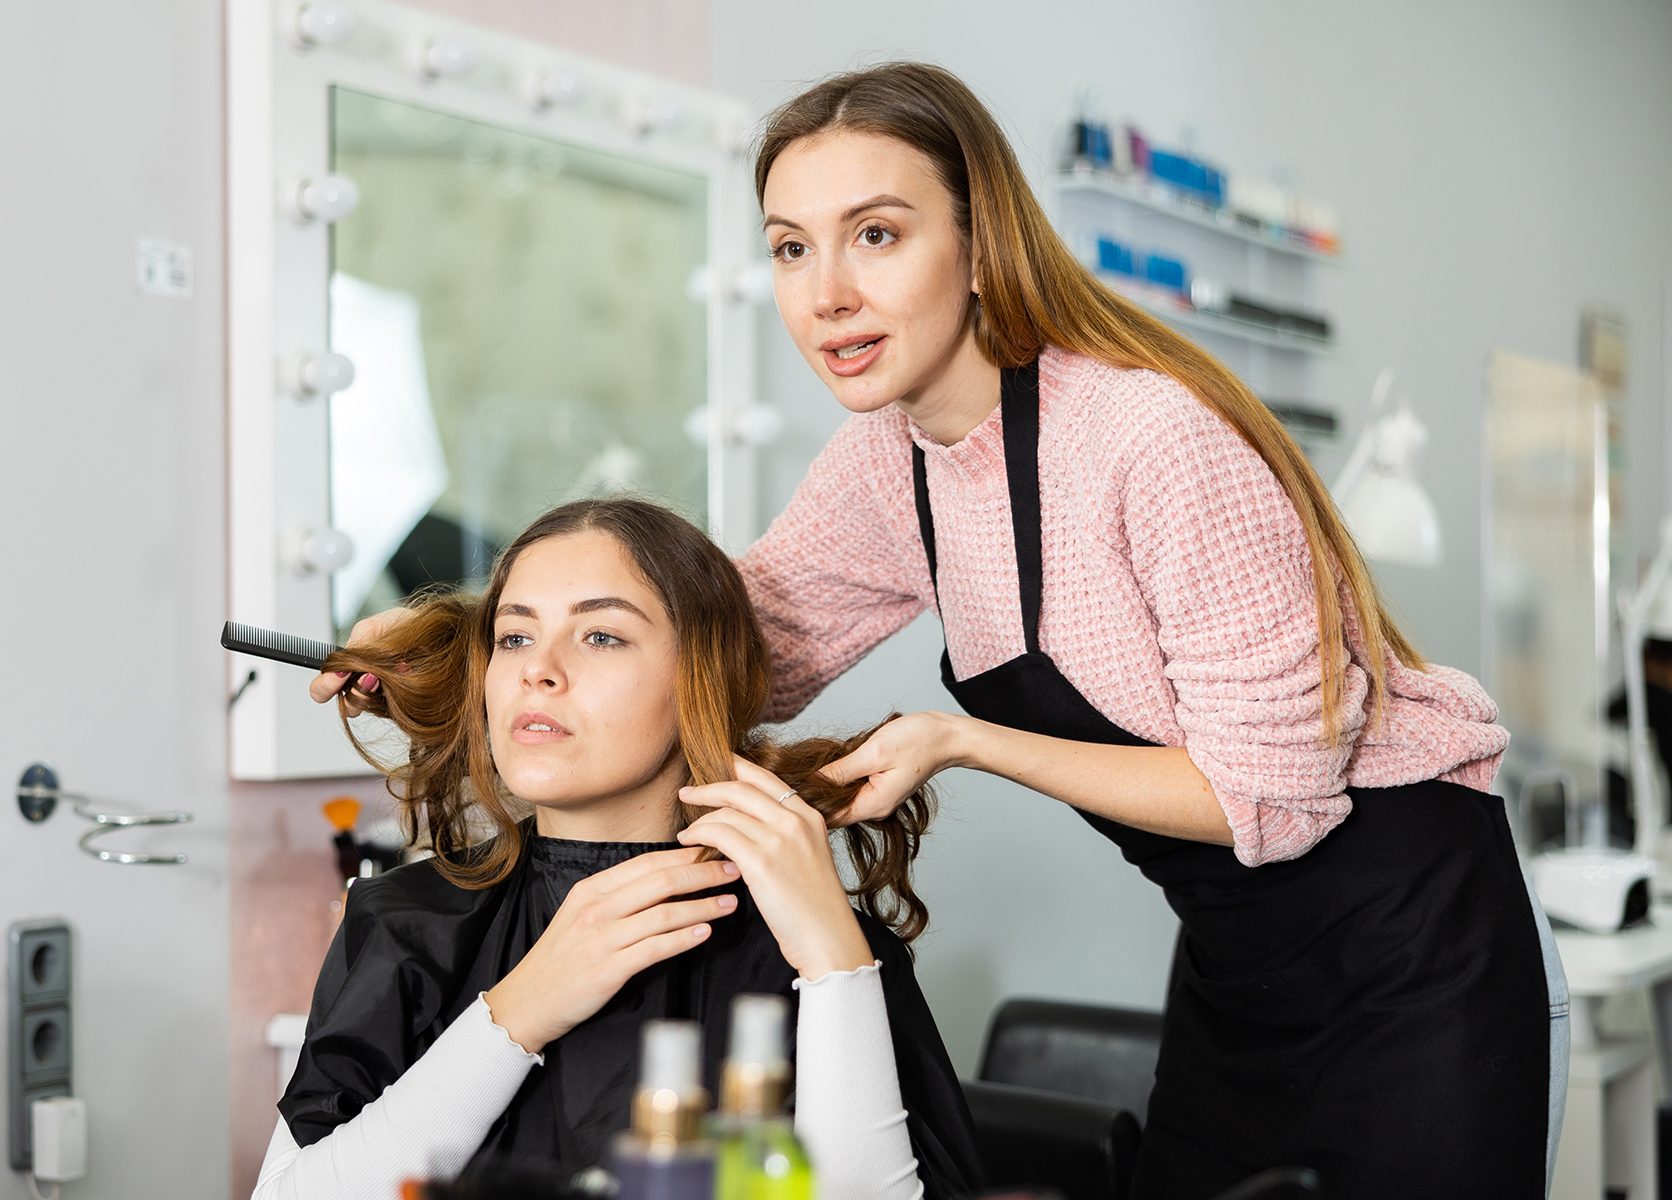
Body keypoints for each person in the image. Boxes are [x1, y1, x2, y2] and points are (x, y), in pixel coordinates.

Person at [317, 62, 1568, 1198]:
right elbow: (714, 644)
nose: (829, 295)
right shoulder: (890, 465)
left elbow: (1278, 798)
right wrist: (453, 650)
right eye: (792, 249)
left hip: (1417, 954)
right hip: (1241, 967)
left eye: (877, 235)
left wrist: (967, 742)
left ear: (979, 244)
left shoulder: (1155, 439)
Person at [259, 498, 981, 1200]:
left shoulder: (817, 949)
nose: (539, 669)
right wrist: (516, 1013)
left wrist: (834, 964)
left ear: (701, 676)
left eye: (600, 636)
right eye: (514, 637)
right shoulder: (403, 925)